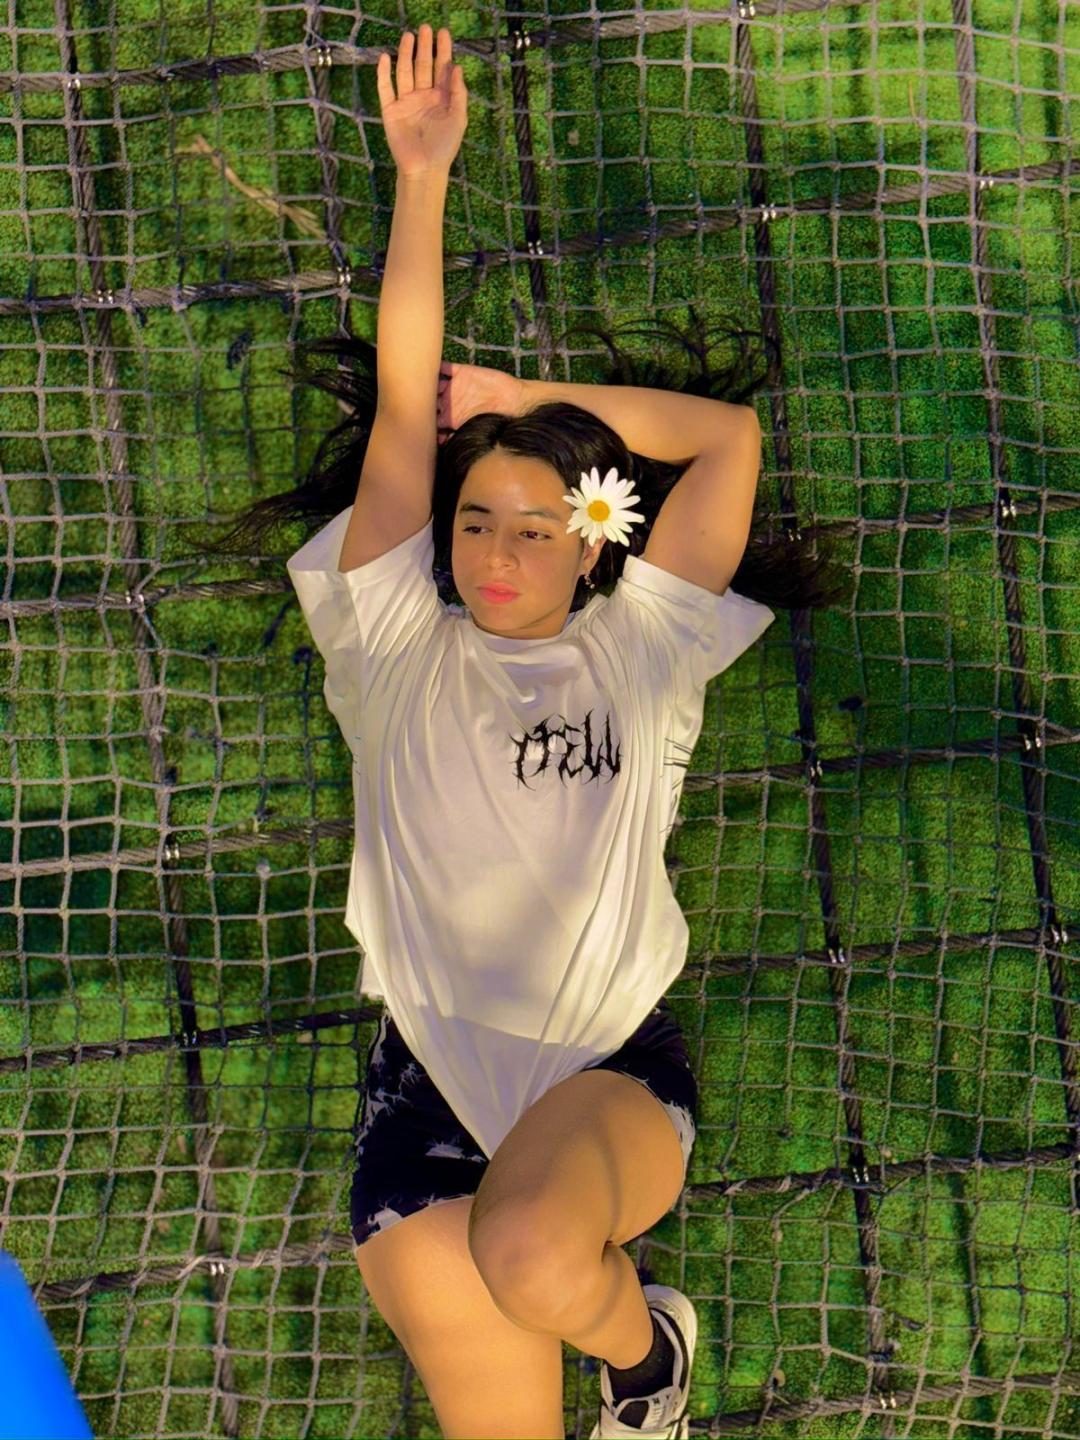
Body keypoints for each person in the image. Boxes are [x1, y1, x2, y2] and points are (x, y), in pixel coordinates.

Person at [201, 23, 844, 1440]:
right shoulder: (386, 641)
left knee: (537, 1253)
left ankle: (644, 1362)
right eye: (476, 519)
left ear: (591, 545)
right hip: (424, 1087)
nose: (496, 551)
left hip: (604, 1074)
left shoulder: (647, 647)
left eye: (536, 527)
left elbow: (724, 440)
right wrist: (422, 174)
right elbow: (399, 405)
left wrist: (517, 407)